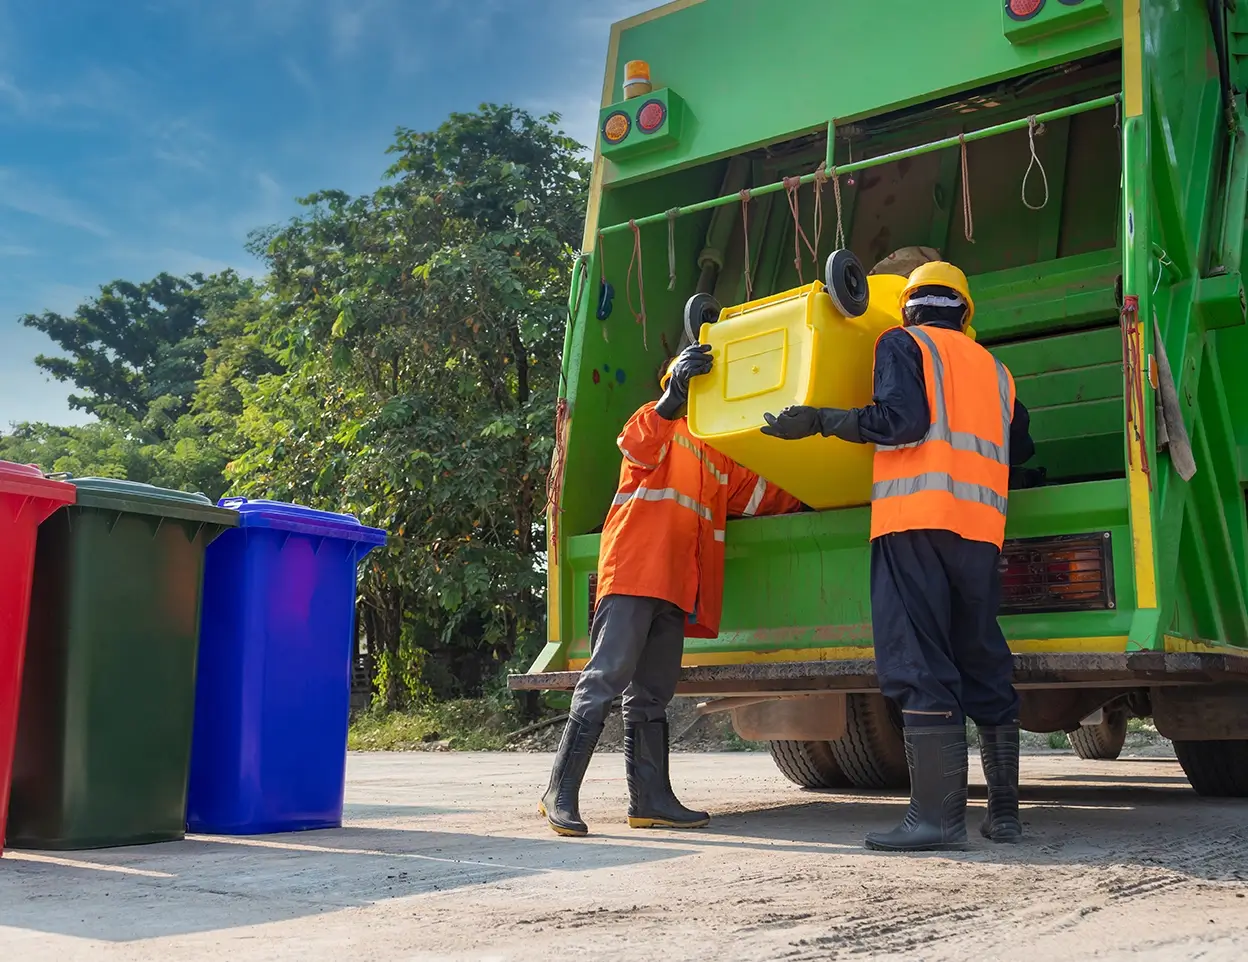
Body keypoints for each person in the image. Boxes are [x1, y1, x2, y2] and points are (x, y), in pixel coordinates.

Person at [761, 261, 1036, 852]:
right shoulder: (996, 370)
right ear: (965, 312)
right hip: (979, 530)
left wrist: (819, 421)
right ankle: (1006, 813)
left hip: (913, 523)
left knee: (919, 663)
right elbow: (1021, 445)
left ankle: (936, 819)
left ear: (908, 306)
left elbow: (901, 421)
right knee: (982, 657)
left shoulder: (901, 342)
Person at [541, 342, 803, 838]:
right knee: (606, 678)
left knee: (652, 694)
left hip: (677, 585)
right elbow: (637, 442)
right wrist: (670, 399)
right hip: (636, 573)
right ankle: (560, 792)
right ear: (677, 384)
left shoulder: (718, 454)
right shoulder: (656, 424)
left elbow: (767, 495)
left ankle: (651, 801)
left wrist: (806, 455)